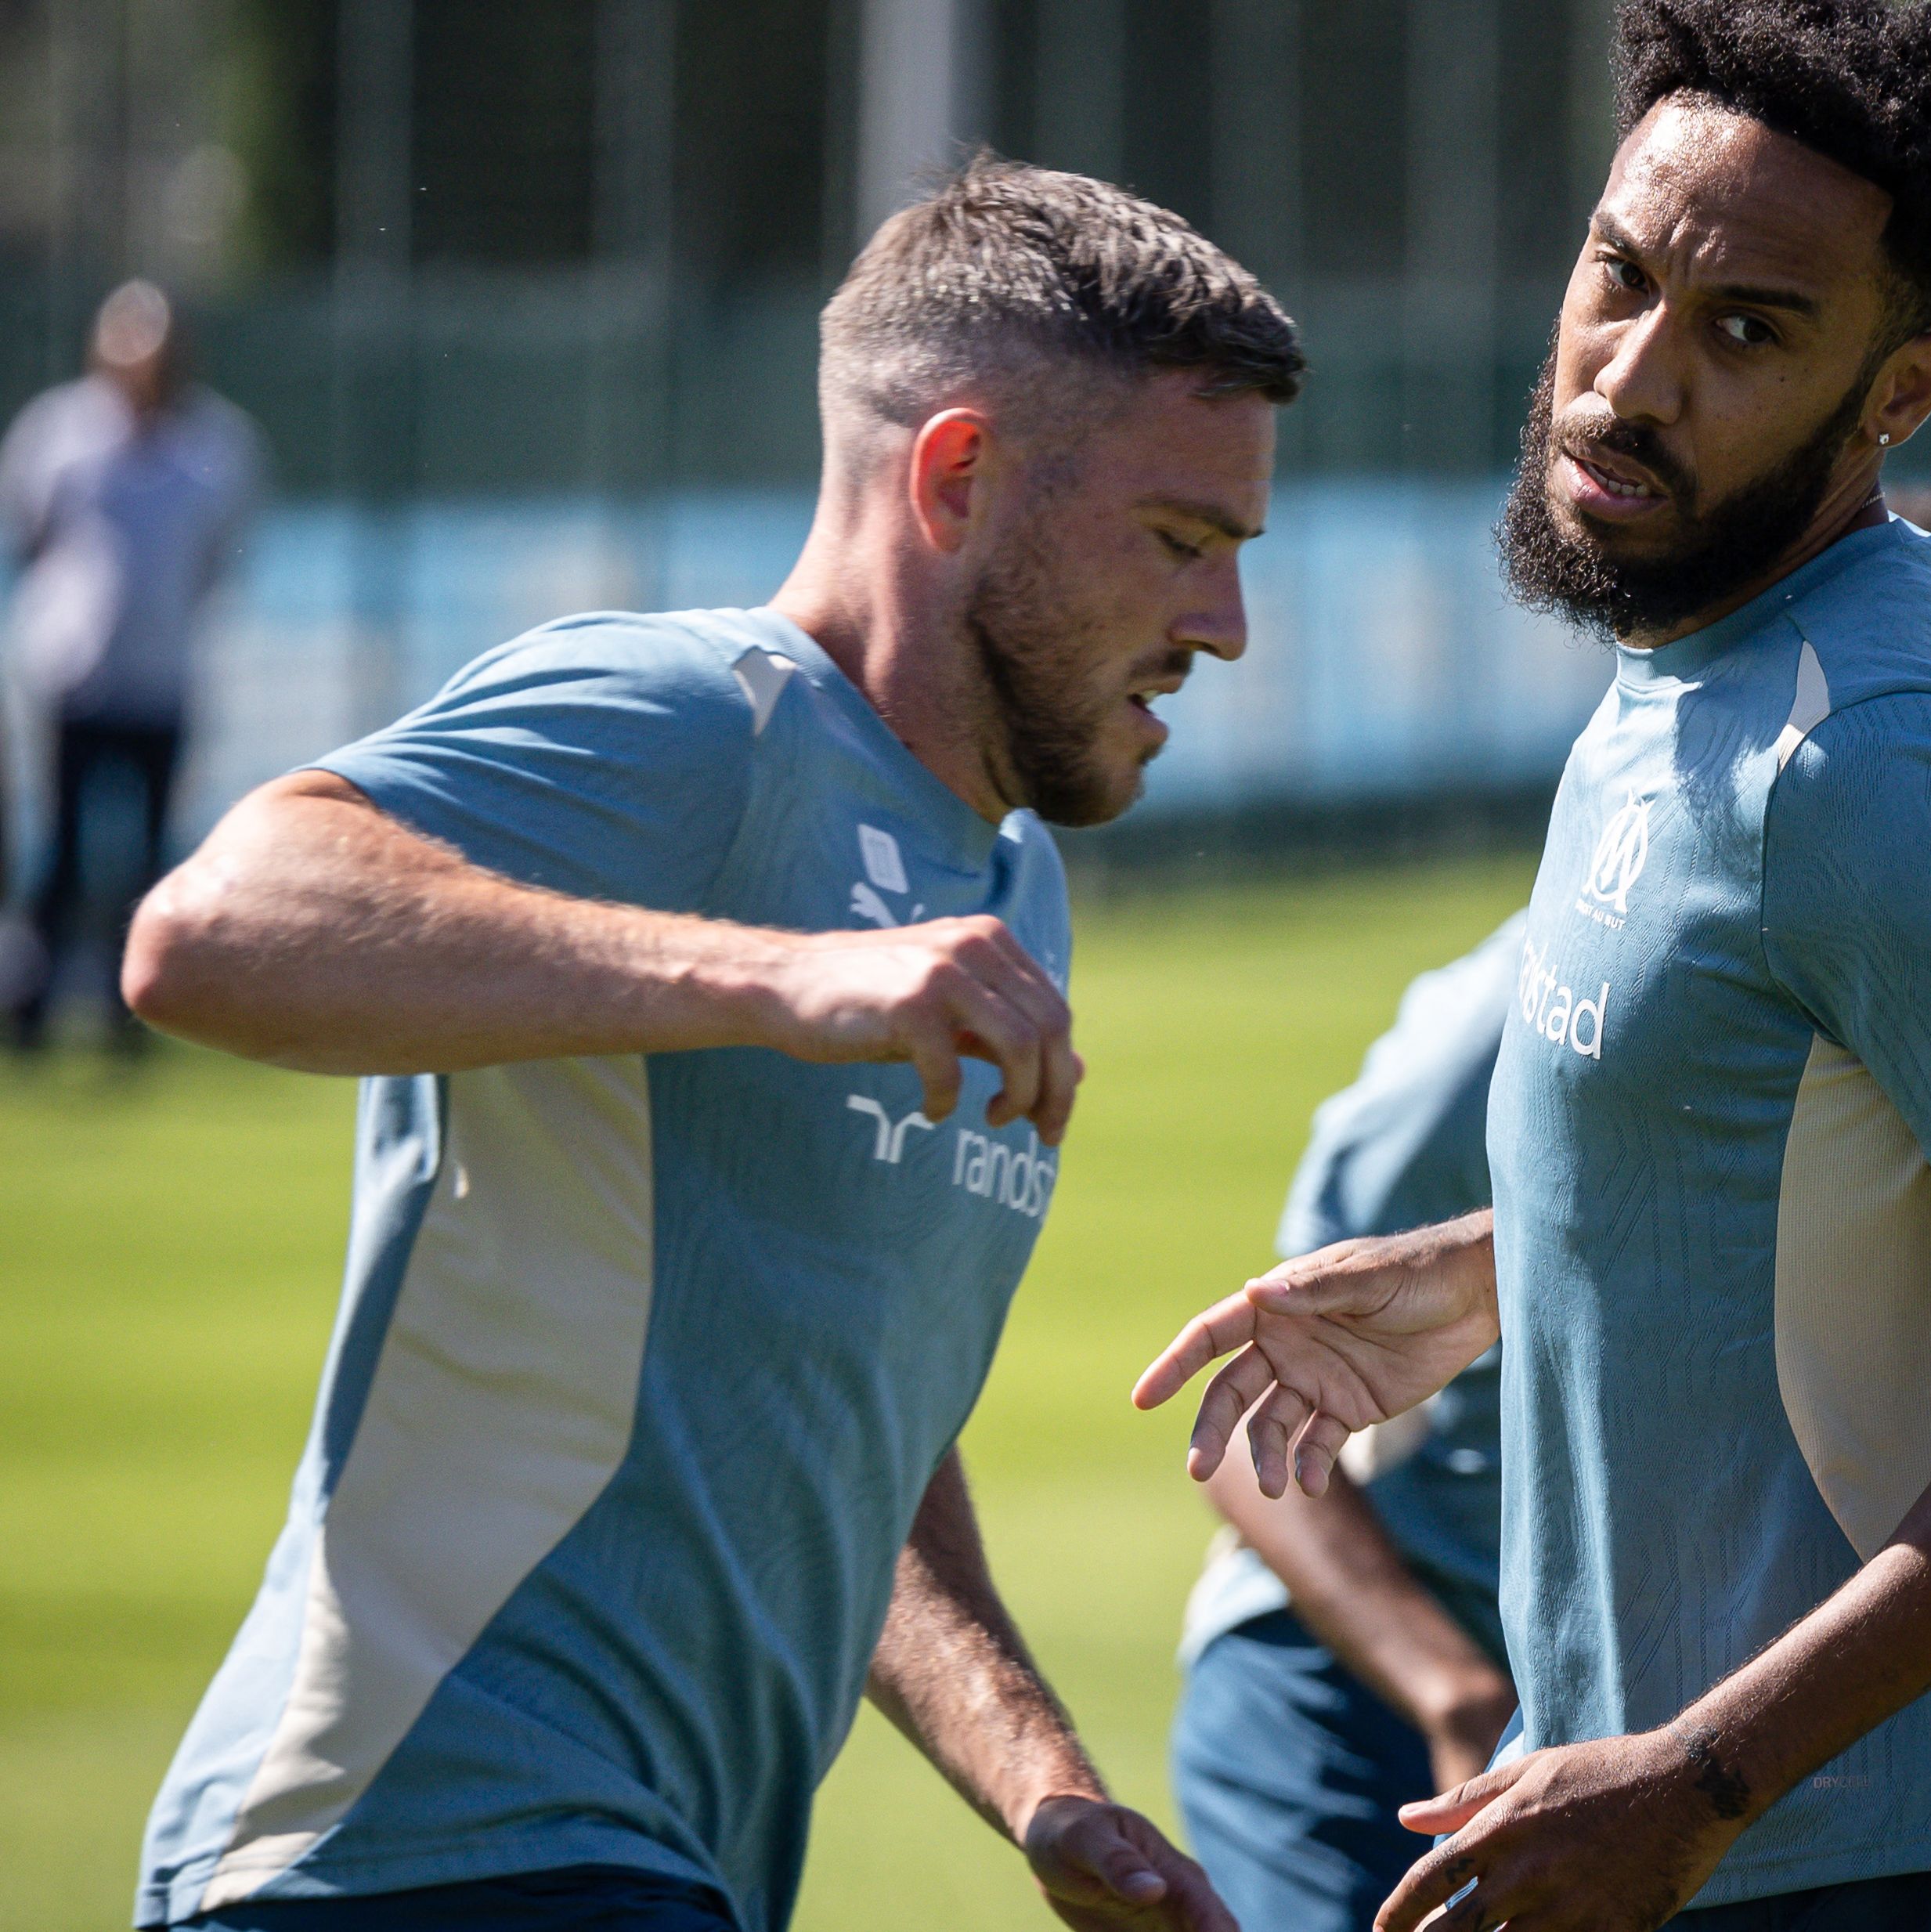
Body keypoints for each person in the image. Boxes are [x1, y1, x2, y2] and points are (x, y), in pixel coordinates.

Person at [1136, 5, 1931, 1927]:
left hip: (1875, 1867)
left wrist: (1698, 1769)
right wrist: (1498, 1268)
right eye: (1620, 275)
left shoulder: (1870, 742)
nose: (1627, 379)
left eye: (1746, 331)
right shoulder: (1692, 659)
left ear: (1900, 393)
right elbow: (1839, 1138)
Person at [114, 160, 1289, 1932]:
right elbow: (210, 925)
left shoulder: (1014, 887)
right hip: (410, 1848)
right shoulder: (698, 715)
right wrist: (777, 978)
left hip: (646, 1872)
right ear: (958, 477)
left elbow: (830, 1433)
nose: (1223, 627)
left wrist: (1043, 1787)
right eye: (1179, 541)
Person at [1165, 484, 1931, 1932]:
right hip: (1364, 1664)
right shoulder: (1495, 1037)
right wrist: (1452, 1687)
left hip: (1662, 1707)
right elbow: (1257, 1418)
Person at [3, 278, 259, 1051]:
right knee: (64, 846)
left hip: (162, 675)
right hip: (75, 673)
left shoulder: (218, 443)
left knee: (149, 851)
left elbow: (220, 554)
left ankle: (132, 1014)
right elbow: (32, 534)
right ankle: (35, 1010)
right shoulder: (59, 431)